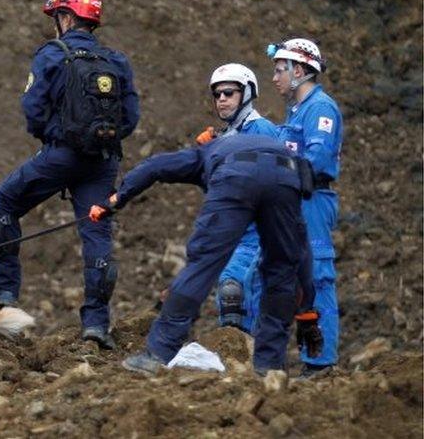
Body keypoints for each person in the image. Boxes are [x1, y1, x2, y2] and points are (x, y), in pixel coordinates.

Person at [0, 0, 140, 349]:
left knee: (5, 202)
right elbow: (131, 117)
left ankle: (4, 284)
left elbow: (33, 109)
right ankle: (96, 324)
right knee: (97, 240)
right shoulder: (117, 61)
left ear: (65, 17)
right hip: (103, 164)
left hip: (60, 156)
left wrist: (57, 137)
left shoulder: (52, 54)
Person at [87, 135, 321, 375]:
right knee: (282, 266)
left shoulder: (202, 154)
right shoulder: (278, 151)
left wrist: (116, 200)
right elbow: (301, 252)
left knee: (203, 263)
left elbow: (154, 167)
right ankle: (269, 367)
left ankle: (156, 354)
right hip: (287, 177)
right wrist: (308, 314)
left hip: (235, 174)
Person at [269, 38, 342, 376]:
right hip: (293, 199)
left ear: (298, 71)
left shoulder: (321, 108)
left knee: (318, 276)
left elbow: (316, 161)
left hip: (312, 200)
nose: (274, 78)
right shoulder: (297, 109)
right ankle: (283, 355)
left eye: (279, 70)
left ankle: (320, 361)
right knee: (287, 275)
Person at [195, 64, 279, 332]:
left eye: (229, 93)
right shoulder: (226, 137)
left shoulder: (262, 130)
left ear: (247, 94)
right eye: (217, 94)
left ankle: (250, 363)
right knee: (230, 299)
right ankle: (238, 364)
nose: (221, 99)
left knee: (237, 291)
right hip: (234, 233)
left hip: (258, 233)